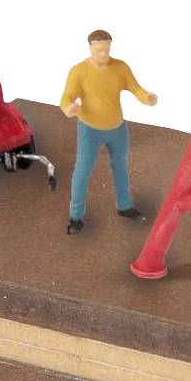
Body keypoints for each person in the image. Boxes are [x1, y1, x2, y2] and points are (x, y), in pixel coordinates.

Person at [59, 30, 157, 235]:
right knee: (83, 171)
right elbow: (66, 97)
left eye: (107, 49)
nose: (104, 54)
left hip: (117, 129)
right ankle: (76, 217)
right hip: (90, 131)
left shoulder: (120, 67)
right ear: (90, 48)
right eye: (99, 50)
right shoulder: (78, 72)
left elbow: (135, 87)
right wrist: (68, 108)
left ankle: (125, 206)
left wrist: (146, 97)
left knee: (120, 166)